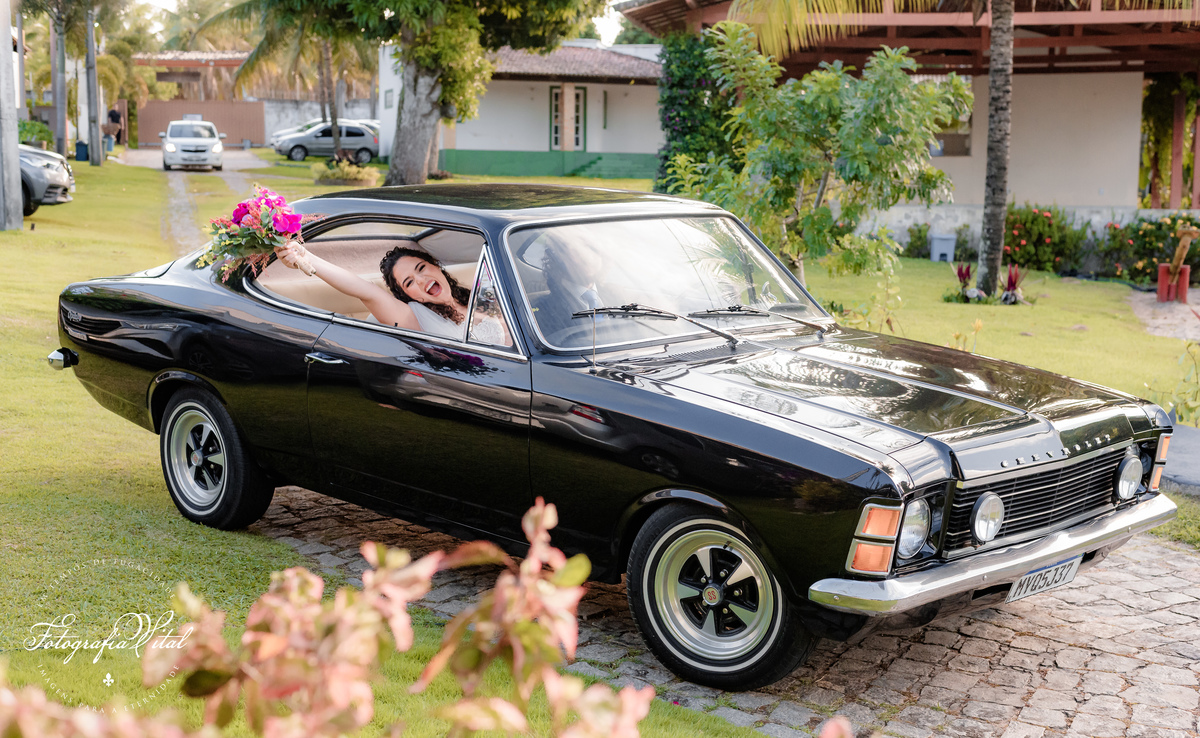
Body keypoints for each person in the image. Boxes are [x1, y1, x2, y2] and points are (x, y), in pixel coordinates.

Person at [274, 241, 507, 344]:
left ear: (436, 266)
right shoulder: (414, 316)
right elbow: (367, 292)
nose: (422, 280)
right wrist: (305, 257)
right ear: (410, 296)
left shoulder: (478, 297)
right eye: (409, 282)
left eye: (422, 268)